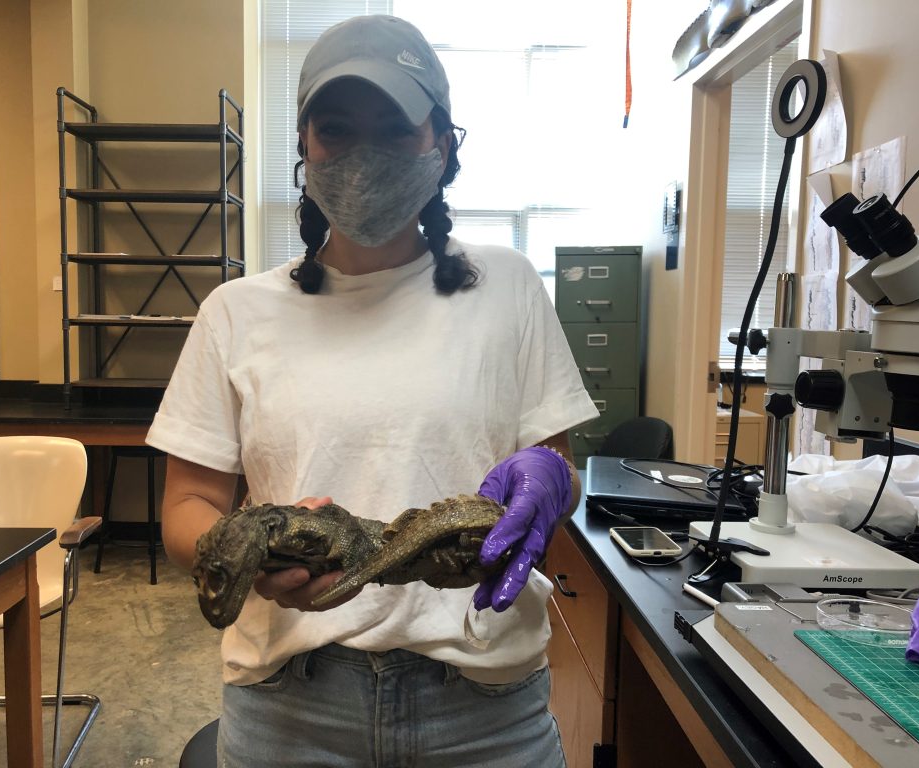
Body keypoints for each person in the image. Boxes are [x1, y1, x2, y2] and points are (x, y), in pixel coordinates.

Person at [147, 14, 598, 768]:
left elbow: (551, 473)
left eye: (394, 127)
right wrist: (255, 551)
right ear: (305, 149)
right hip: (293, 704)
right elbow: (184, 510)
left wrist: (554, 479)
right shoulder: (235, 312)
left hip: (484, 711)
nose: (362, 154)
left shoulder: (508, 287)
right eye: (336, 130)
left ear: (442, 145)